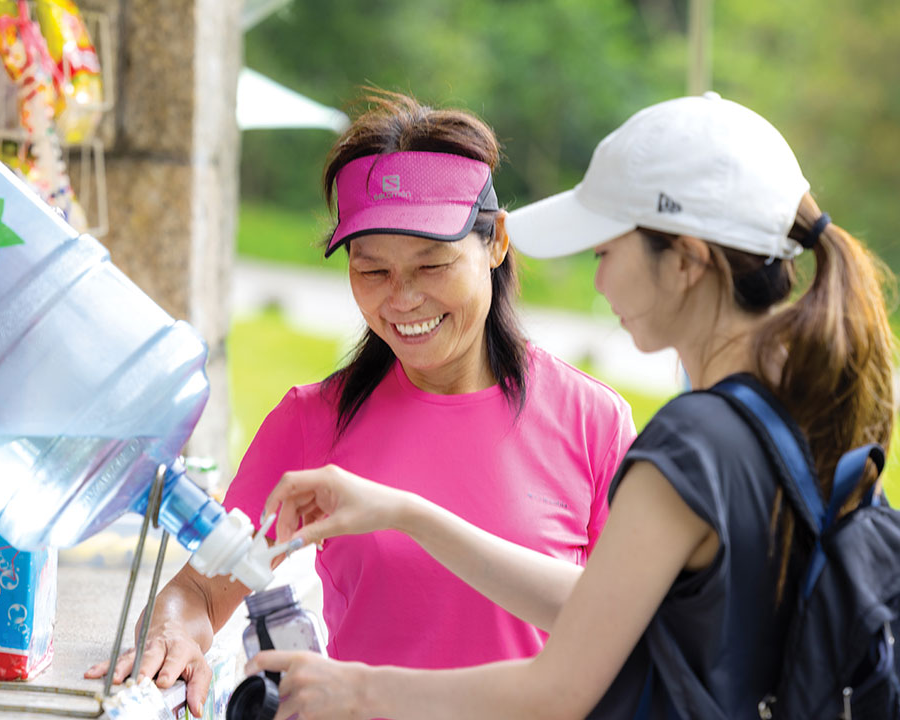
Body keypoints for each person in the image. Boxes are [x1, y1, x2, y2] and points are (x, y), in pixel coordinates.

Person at [247, 92, 897, 719]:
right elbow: (604, 607)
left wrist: (355, 692)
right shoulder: (781, 420)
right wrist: (407, 513)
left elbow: (557, 691)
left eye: (605, 251)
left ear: (686, 263)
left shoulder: (691, 446)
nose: (598, 280)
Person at [85, 90, 636, 716]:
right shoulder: (310, 422)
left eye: (432, 265)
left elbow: (630, 630)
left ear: (497, 242)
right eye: (372, 271)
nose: (401, 300)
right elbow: (204, 590)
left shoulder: (594, 422)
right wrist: (173, 632)